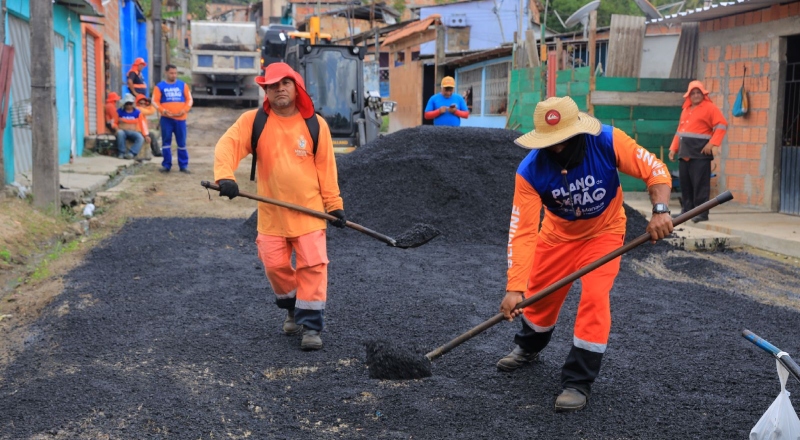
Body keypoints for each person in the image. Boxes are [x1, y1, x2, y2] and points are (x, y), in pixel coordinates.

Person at [497, 97, 673, 412]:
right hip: (557, 234)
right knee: (539, 295)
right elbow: (522, 231)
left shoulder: (608, 140)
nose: (556, 148)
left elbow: (655, 170)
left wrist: (660, 210)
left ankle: (577, 381)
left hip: (603, 233)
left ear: (577, 131)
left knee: (594, 296)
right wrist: (514, 287)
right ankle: (528, 347)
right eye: (549, 142)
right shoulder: (529, 171)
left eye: (562, 140)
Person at [213, 62, 346, 351]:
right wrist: (225, 177)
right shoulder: (254, 121)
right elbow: (227, 145)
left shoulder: (315, 124)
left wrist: (334, 205)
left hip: (310, 213)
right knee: (274, 265)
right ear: (266, 91)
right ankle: (291, 307)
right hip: (272, 215)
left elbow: (327, 168)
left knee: (313, 266)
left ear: (296, 87)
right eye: (272, 85)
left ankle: (311, 327)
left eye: (285, 83)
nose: (279, 89)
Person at [668, 80, 727, 223]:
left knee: (700, 185)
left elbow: (722, 125)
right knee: (686, 184)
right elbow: (679, 132)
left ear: (703, 94)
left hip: (701, 154)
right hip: (685, 153)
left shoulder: (710, 108)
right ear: (688, 96)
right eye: (693, 93)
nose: (695, 95)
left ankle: (701, 213)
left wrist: (712, 143)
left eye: (698, 93)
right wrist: (673, 148)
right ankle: (686, 212)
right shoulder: (685, 110)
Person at [152, 64, 193, 173]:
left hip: (181, 119)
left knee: (182, 143)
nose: (174, 75)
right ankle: (166, 165)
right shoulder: (160, 87)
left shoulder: (183, 85)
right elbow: (154, 101)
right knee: (166, 142)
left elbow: (189, 100)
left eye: (175, 73)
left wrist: (185, 110)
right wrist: (162, 110)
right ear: (166, 73)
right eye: (171, 73)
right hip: (166, 119)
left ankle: (183, 165)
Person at [115, 93, 148, 160]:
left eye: (130, 103)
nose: (129, 105)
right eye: (127, 104)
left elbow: (143, 124)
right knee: (120, 133)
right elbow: (115, 122)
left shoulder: (137, 113)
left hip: (133, 131)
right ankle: (121, 153)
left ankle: (131, 153)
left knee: (140, 138)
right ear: (124, 104)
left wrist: (146, 135)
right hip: (122, 131)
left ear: (133, 104)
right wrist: (116, 129)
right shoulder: (119, 111)